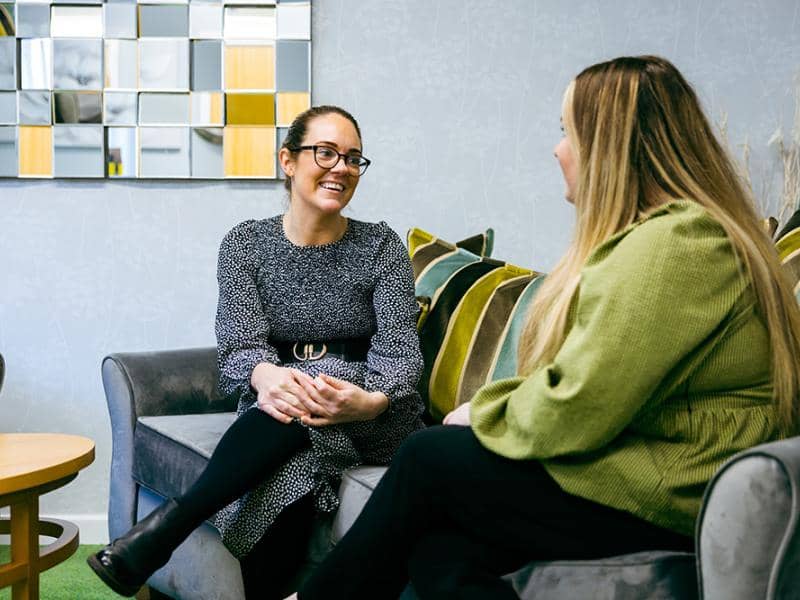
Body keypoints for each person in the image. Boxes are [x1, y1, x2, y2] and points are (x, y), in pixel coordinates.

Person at [292, 56, 800, 600]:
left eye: (568, 133)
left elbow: (581, 402)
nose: (559, 150)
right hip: (658, 471)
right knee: (440, 545)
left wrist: (481, 412)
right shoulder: (673, 236)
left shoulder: (678, 245)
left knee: (426, 458)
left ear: (607, 147)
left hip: (677, 490)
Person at [88, 105, 425, 599]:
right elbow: (240, 346)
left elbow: (400, 357)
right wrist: (265, 375)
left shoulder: (381, 245)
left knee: (303, 392)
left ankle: (168, 528)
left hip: (371, 414)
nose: (342, 168)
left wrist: (370, 400)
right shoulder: (247, 244)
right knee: (292, 465)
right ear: (288, 161)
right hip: (278, 410)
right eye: (326, 153)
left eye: (353, 159)